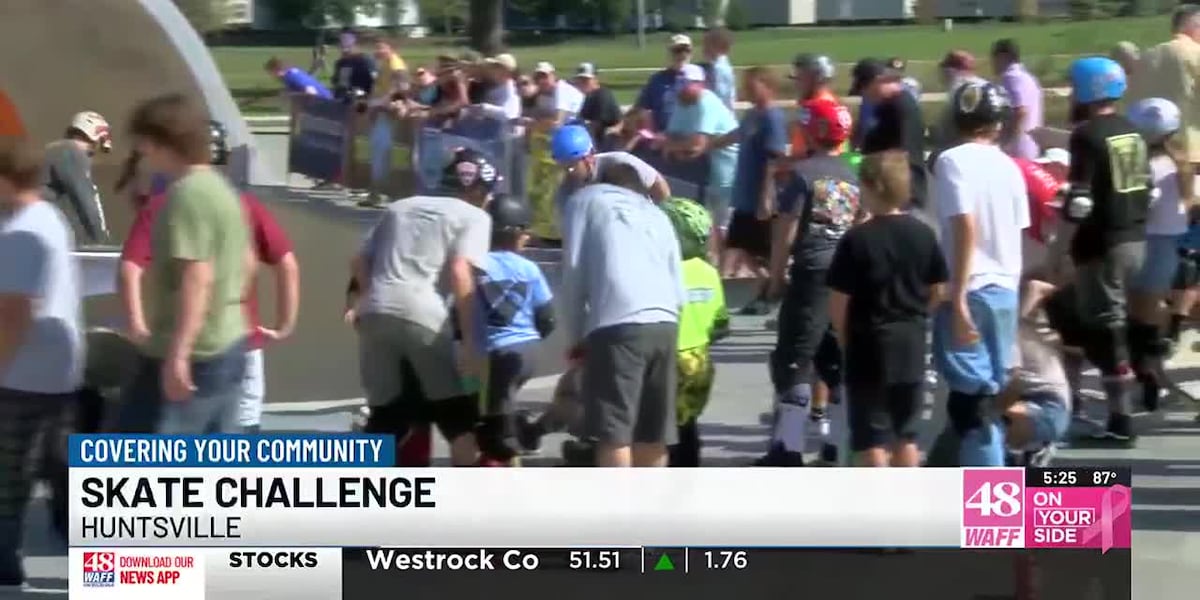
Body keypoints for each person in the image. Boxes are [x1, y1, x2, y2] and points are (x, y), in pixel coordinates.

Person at [119, 121, 299, 435]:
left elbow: (130, 267)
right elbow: (288, 265)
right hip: (240, 339)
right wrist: (284, 324)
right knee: (238, 433)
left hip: (180, 343)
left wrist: (136, 324)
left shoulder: (164, 205)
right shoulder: (245, 205)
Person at [115, 94, 251, 435]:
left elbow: (196, 276)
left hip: (192, 353)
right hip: (228, 340)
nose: (142, 150)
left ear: (160, 140)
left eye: (144, 141)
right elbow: (247, 263)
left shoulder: (187, 196)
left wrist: (179, 353)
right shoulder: (224, 192)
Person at [351, 148, 494, 467]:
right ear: (477, 190)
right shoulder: (475, 216)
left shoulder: (400, 207)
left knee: (384, 418)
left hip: (374, 310)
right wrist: (471, 341)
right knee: (458, 421)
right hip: (424, 315)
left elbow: (359, 259)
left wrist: (367, 298)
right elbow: (460, 271)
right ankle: (473, 506)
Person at [757, 96, 861, 467]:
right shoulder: (853, 174)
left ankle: (788, 447)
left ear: (815, 131)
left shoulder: (803, 175)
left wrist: (775, 275)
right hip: (846, 275)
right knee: (837, 359)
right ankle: (837, 442)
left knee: (795, 359)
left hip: (812, 274)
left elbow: (784, 229)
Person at [558, 168, 685, 468]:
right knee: (653, 433)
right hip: (666, 322)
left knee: (614, 433)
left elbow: (573, 275)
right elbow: (679, 288)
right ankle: (652, 510)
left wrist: (575, 339)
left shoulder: (586, 200)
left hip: (618, 322)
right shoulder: (658, 214)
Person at [828, 150, 948, 468]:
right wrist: (918, 313)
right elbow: (938, 290)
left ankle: (878, 506)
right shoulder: (924, 234)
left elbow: (839, 303)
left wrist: (843, 339)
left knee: (870, 437)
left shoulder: (857, 239)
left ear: (871, 188)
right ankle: (906, 502)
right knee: (906, 434)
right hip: (910, 339)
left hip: (869, 342)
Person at [931, 81, 1029, 467]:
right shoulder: (1011, 167)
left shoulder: (951, 161)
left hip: (970, 289)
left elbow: (965, 226)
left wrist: (955, 296)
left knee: (973, 407)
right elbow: (1016, 230)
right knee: (984, 399)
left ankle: (994, 509)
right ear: (999, 123)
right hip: (1005, 288)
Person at [0, 137, 82, 590]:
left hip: (21, 375)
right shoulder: (52, 218)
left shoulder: (19, 235)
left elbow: (14, 314)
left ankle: (4, 563)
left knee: (8, 478)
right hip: (59, 372)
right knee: (59, 466)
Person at [1063, 56, 1152, 444]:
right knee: (1115, 320)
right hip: (1135, 236)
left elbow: (1080, 201)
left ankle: (1121, 417)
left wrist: (1064, 214)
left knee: (1105, 327)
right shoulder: (1132, 130)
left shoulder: (1086, 135)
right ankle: (1140, 376)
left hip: (1101, 242)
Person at [474, 195, 555, 467]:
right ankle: (502, 441)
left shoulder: (476, 265)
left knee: (495, 421)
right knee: (500, 403)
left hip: (495, 354)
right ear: (518, 233)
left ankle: (507, 459)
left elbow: (456, 313)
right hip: (529, 352)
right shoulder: (529, 268)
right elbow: (548, 318)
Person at [1126, 98, 1194, 412]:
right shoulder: (1180, 165)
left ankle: (1145, 372)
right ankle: (1153, 363)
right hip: (1169, 244)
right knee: (1152, 308)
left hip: (1141, 240)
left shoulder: (1140, 165)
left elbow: (1137, 206)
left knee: (1134, 312)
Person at [659, 197, 730, 467]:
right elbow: (721, 324)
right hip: (700, 361)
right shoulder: (709, 272)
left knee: (663, 429)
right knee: (688, 423)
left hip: (670, 358)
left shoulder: (664, 270)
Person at [720, 66, 788, 310]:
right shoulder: (752, 115)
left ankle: (775, 291)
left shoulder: (773, 117)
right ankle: (766, 289)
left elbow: (776, 157)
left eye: (752, 84)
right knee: (740, 245)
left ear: (767, 86)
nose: (746, 89)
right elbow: (736, 135)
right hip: (744, 195)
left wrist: (767, 195)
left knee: (761, 251)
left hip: (761, 195)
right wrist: (710, 143)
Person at [665, 63, 739, 246]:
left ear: (700, 84)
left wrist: (675, 147)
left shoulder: (707, 102)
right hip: (702, 172)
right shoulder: (682, 102)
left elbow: (696, 146)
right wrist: (676, 147)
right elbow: (670, 136)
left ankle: (723, 265)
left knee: (722, 224)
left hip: (726, 170)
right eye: (679, 85)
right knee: (702, 220)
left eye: (685, 85)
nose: (681, 90)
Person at [851, 58, 928, 210]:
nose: (864, 95)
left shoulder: (899, 107)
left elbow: (902, 156)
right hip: (892, 195)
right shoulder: (887, 107)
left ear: (877, 81)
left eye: (864, 88)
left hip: (901, 198)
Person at [1132, 5, 1200, 168]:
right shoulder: (1196, 52)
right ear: (1195, 26)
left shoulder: (1149, 55)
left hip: (1156, 151)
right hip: (1192, 151)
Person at [999, 322, 1073, 466]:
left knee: (985, 418)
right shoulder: (1027, 328)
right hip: (1052, 406)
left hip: (1049, 407)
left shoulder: (1009, 333)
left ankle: (1033, 447)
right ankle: (1025, 450)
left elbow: (1014, 383)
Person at [550, 123, 670, 207]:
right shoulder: (566, 191)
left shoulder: (620, 162)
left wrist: (666, 216)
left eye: (572, 165)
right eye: (563, 166)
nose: (568, 172)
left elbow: (657, 182)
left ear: (590, 156)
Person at [41, 111, 111, 244]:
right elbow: (86, 201)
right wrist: (103, 244)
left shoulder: (55, 150)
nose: (91, 158)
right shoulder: (70, 152)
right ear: (96, 138)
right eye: (93, 151)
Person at [360, 36, 410, 207]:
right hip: (381, 112)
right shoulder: (384, 64)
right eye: (376, 47)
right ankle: (376, 193)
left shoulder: (396, 65)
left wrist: (382, 103)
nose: (377, 51)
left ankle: (381, 193)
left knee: (382, 153)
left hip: (389, 115)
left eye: (381, 47)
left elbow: (402, 88)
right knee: (378, 152)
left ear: (391, 48)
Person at [992, 39, 1044, 160]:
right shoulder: (1028, 77)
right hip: (1032, 143)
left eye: (994, 57)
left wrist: (1006, 142)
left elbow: (1021, 111)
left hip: (1018, 148)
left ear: (1002, 56)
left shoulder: (1011, 78)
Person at [929, 50, 986, 157]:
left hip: (962, 152)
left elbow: (949, 128)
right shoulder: (984, 84)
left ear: (952, 70)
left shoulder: (958, 90)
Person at [633, 34, 694, 132]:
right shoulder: (656, 80)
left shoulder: (698, 79)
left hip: (691, 137)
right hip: (662, 138)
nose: (682, 55)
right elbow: (641, 108)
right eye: (677, 51)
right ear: (669, 54)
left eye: (687, 51)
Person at [790, 53, 841, 160]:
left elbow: (825, 151)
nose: (796, 83)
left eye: (801, 78)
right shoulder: (810, 104)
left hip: (816, 171)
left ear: (818, 79)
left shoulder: (823, 108)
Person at [575, 63, 622, 147]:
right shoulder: (589, 96)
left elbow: (597, 125)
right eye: (580, 79)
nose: (582, 83)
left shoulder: (602, 96)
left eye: (586, 80)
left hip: (608, 143)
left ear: (595, 79)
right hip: (597, 140)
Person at [330, 31, 375, 101]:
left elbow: (374, 85)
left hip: (362, 98)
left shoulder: (366, 61)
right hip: (343, 99)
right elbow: (341, 85)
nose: (345, 50)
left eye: (348, 46)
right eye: (342, 46)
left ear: (356, 45)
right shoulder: (341, 63)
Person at [263, 57, 333, 99]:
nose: (271, 76)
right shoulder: (293, 72)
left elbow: (311, 93)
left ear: (276, 70)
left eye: (270, 72)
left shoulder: (290, 78)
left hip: (325, 103)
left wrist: (289, 94)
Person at [702, 28, 736, 110]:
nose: (704, 48)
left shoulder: (719, 69)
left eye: (707, 45)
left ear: (719, 47)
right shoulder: (721, 65)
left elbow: (721, 96)